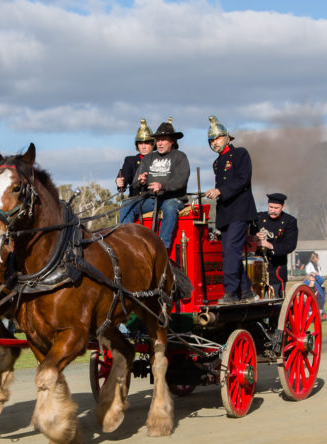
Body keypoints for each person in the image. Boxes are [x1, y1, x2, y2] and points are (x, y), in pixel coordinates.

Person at [203, 116, 257, 304]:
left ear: (227, 137)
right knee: (228, 253)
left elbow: (243, 180)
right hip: (225, 213)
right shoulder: (217, 164)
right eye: (211, 140)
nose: (214, 143)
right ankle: (246, 291)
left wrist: (220, 191)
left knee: (232, 251)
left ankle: (231, 293)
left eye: (217, 138)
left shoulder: (241, 154)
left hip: (240, 211)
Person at [119, 118, 191, 248]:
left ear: (172, 141)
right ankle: (127, 243)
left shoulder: (180, 157)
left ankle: (162, 246)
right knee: (125, 205)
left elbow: (181, 181)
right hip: (151, 199)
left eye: (163, 139)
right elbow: (135, 183)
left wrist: (162, 186)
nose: (160, 143)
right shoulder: (148, 158)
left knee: (170, 206)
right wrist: (141, 182)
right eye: (158, 140)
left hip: (172, 198)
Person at [255, 193, 298, 298]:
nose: (273, 210)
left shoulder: (290, 221)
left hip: (276, 271)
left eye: (276, 208)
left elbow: (290, 245)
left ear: (282, 207)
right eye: (270, 207)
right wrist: (254, 237)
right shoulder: (258, 218)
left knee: (275, 303)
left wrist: (270, 245)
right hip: (256, 271)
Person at [117, 118, 155, 212]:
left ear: (152, 144)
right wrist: (120, 182)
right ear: (137, 145)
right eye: (140, 143)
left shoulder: (159, 159)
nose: (143, 146)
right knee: (125, 205)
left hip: (154, 201)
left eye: (146, 143)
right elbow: (124, 176)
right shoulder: (130, 161)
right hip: (135, 201)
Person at [303, 252, 327, 320]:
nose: (318, 259)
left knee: (320, 298)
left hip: (318, 284)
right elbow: (308, 272)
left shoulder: (317, 265)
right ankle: (313, 314)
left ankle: (322, 313)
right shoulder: (309, 265)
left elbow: (321, 279)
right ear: (314, 258)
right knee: (311, 299)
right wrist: (313, 275)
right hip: (312, 285)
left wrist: (316, 275)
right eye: (317, 258)